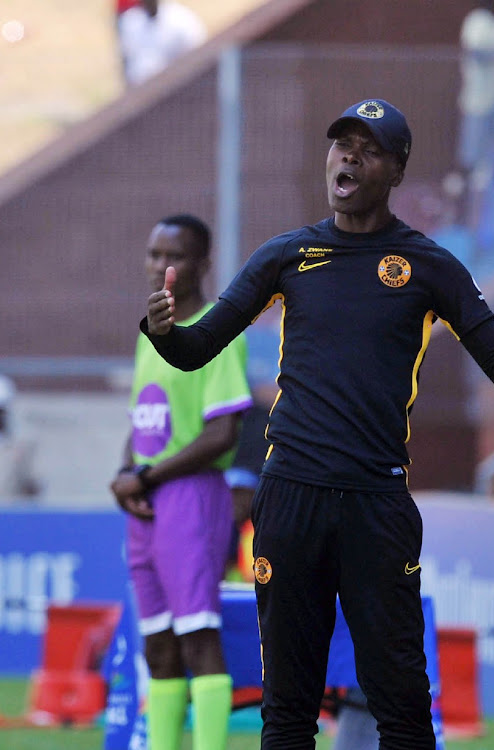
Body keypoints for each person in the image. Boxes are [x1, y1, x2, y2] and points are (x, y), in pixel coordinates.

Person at [141, 98, 494, 749]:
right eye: (341, 144)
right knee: (287, 707)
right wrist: (162, 331)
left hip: (376, 504)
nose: (347, 156)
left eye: (367, 148)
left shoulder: (429, 266)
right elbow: (196, 346)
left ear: (395, 170)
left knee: (400, 704)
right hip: (289, 497)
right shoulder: (287, 255)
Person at [110, 214, 252, 750]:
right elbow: (141, 421)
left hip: (192, 499)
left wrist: (145, 476)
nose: (160, 266)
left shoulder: (216, 331)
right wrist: (127, 475)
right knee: (159, 648)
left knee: (198, 638)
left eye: (174, 255)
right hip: (147, 503)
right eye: (153, 254)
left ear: (203, 265)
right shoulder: (152, 331)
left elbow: (223, 434)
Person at [117, 0, 206, 86]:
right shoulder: (130, 23)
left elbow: (197, 62)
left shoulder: (181, 21)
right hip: (143, 93)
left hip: (177, 88)